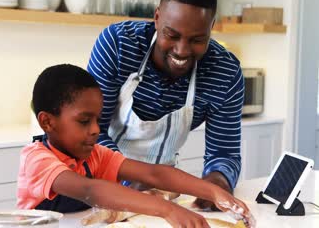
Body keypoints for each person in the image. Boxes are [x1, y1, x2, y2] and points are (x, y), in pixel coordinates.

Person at [17, 64, 254, 228]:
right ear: (47, 121)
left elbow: (154, 173)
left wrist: (213, 191)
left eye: (98, 120)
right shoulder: (37, 159)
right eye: (84, 121)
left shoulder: (95, 155)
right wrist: (167, 209)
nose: (96, 130)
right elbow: (91, 191)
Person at [87, 0, 244, 209]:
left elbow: (224, 153)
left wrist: (216, 182)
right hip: (99, 185)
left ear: (212, 27)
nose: (182, 50)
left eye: (197, 40)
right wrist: (131, 177)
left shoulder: (225, 73)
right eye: (172, 35)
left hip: (161, 193)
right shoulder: (118, 44)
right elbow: (91, 132)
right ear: (157, 17)